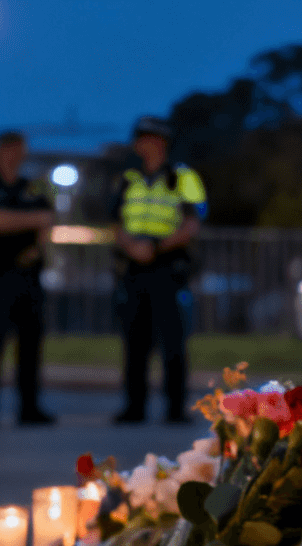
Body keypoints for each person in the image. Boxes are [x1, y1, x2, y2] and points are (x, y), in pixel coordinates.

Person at [110, 115, 205, 424]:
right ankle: (133, 407)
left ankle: (175, 408)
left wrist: (159, 246)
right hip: (134, 268)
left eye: (151, 138)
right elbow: (116, 222)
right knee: (135, 341)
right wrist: (132, 247)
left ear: (162, 142)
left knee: (173, 341)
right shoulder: (127, 178)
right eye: (141, 139)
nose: (145, 144)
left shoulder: (183, 177)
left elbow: (192, 222)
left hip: (168, 265)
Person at [0, 131, 56, 426]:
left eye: (19, 149)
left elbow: (48, 221)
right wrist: (28, 220)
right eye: (9, 149)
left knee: (31, 345)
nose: (14, 155)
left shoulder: (32, 188)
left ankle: (29, 407)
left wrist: (17, 223)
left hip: (29, 275)